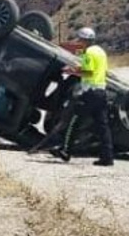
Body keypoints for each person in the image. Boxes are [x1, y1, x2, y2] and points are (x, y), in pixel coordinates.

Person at [46, 27, 114, 166]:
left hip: (89, 93)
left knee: (74, 121)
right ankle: (107, 157)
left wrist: (70, 71)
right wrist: (76, 70)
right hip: (101, 92)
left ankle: (65, 151)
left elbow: (87, 73)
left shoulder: (88, 53)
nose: (79, 42)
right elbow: (101, 71)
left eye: (80, 40)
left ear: (84, 40)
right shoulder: (101, 52)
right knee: (103, 127)